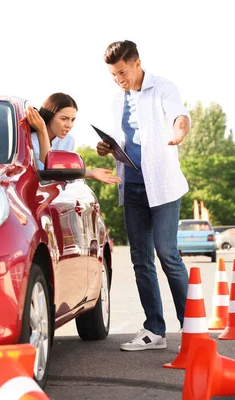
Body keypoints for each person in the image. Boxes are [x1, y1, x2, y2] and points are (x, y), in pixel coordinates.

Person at [97, 40, 191, 351]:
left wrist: (179, 131)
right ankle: (154, 330)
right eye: (113, 75)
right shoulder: (117, 100)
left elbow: (179, 115)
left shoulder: (163, 88)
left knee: (167, 254)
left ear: (137, 63)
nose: (119, 79)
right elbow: (123, 139)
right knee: (140, 259)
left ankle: (192, 326)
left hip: (162, 185)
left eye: (122, 72)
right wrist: (106, 147)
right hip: (132, 186)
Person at [25, 93, 121, 184]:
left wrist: (90, 173)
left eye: (72, 120)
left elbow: (64, 175)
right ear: (50, 116)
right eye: (64, 119)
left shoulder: (68, 140)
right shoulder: (29, 141)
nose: (69, 125)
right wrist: (42, 130)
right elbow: (48, 173)